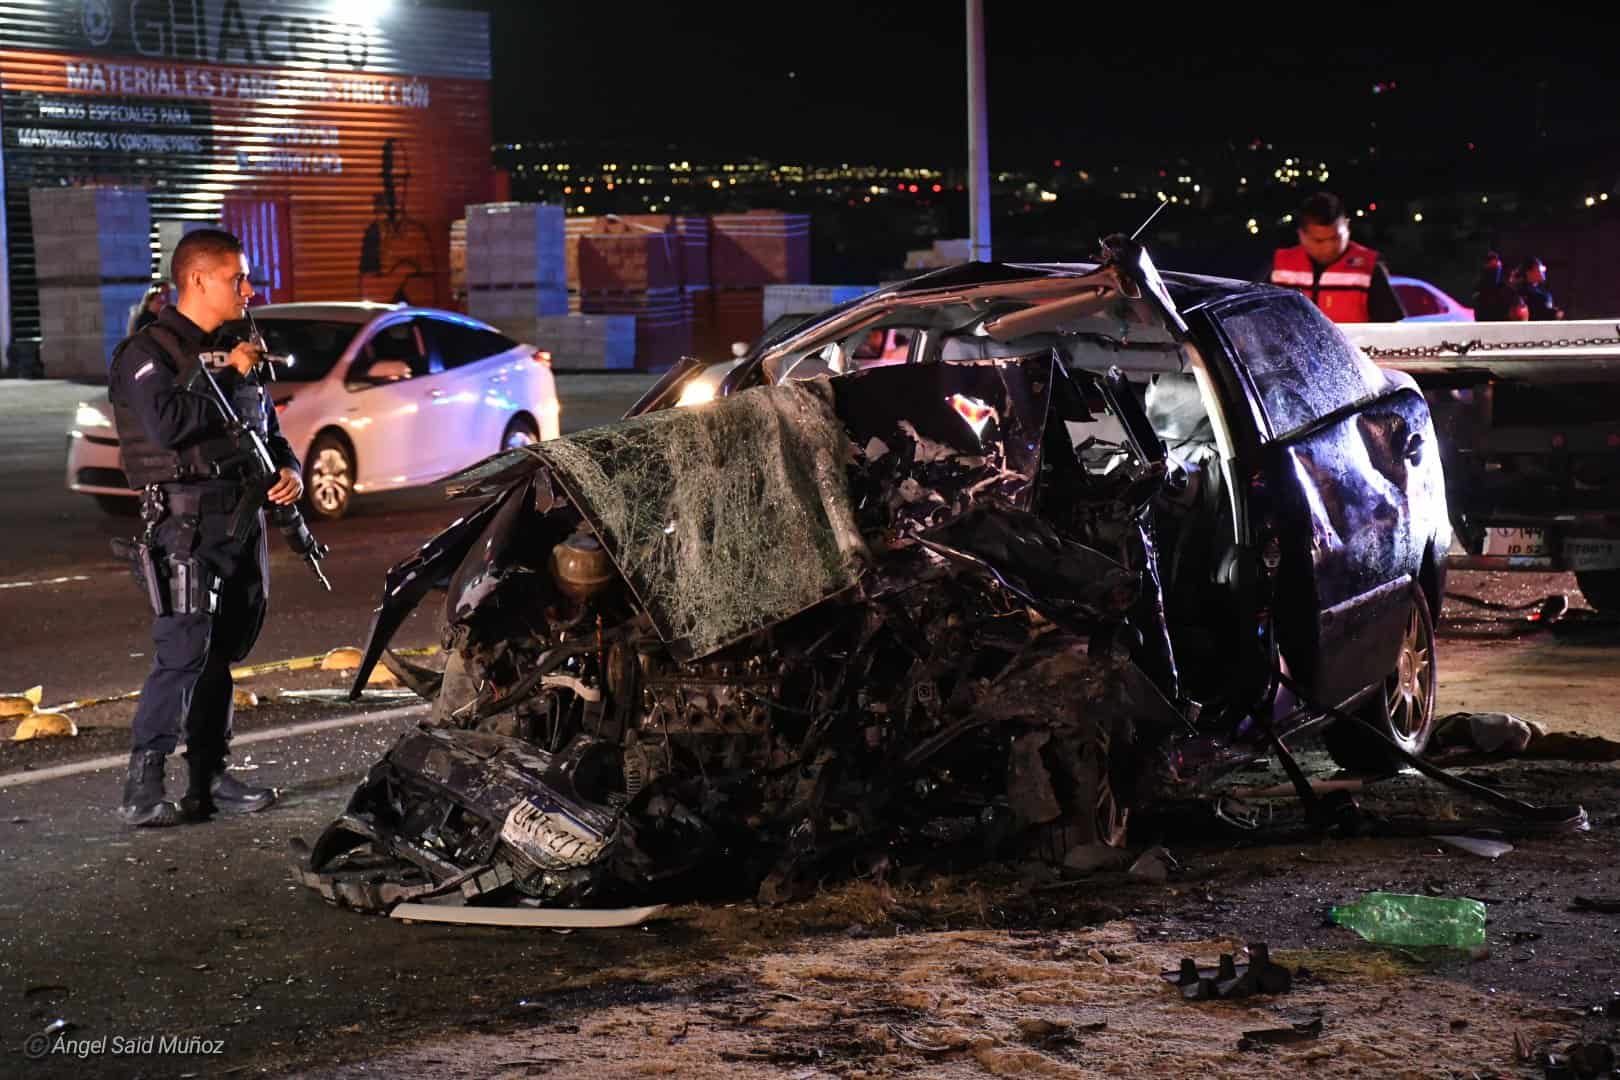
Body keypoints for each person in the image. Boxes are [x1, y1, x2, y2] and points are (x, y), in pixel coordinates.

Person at [107, 229, 304, 827]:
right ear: (197, 280)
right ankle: (143, 787)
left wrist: (289, 471)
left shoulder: (239, 347)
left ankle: (208, 779)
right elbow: (165, 424)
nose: (247, 289)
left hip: (240, 521)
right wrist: (225, 375)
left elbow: (268, 430)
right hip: (184, 526)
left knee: (223, 653)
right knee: (183, 652)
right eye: (235, 278)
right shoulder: (150, 353)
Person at [1269, 192, 1405, 322]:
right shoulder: (1279, 265)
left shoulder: (1370, 267)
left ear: (1347, 227)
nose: (1329, 248)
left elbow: (1390, 329)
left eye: (1336, 238)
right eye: (1318, 241)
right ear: (1301, 234)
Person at [1470, 252, 1529, 321]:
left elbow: (1520, 316)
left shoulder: (1509, 293)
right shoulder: (1479, 293)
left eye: (1496, 269)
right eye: (1491, 269)